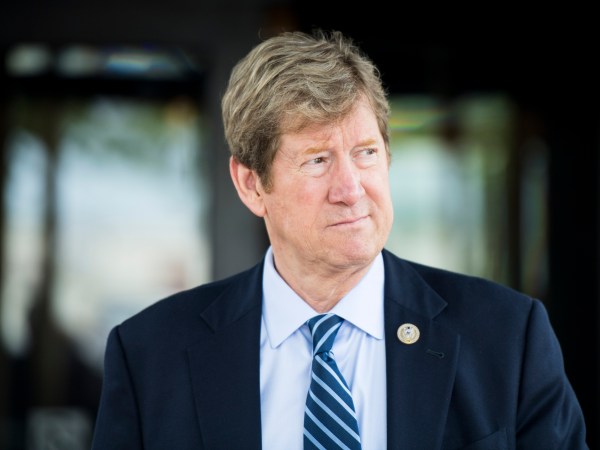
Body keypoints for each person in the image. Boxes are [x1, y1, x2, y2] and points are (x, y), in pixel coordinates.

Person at [91, 29, 588, 450]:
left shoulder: (507, 338)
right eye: (317, 160)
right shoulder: (149, 358)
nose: (351, 189)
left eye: (366, 152)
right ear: (251, 185)